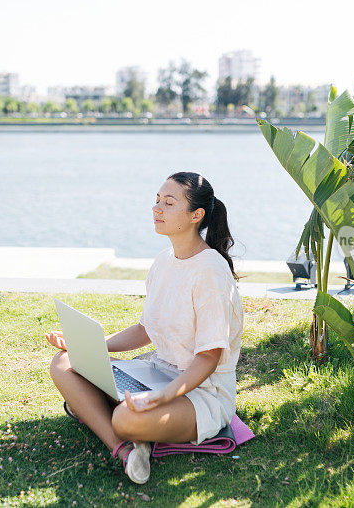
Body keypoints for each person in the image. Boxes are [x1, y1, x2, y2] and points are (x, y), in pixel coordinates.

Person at [46, 172, 243, 484]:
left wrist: (163, 398)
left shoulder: (210, 272)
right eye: (156, 200)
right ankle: (125, 451)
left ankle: (106, 416)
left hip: (202, 394)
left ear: (196, 215)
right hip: (153, 373)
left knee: (124, 417)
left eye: (168, 202)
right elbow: (144, 330)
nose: (157, 209)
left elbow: (209, 358)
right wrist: (87, 346)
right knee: (63, 362)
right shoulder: (164, 261)